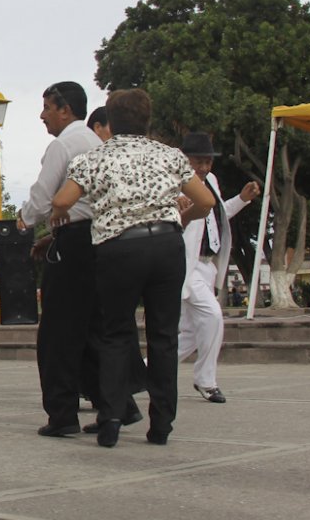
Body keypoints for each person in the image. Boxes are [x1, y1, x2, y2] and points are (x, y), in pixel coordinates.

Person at [51, 89, 215, 448]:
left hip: (119, 248)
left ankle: (110, 418)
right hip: (166, 245)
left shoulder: (95, 157)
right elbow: (205, 200)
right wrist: (181, 219)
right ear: (147, 120)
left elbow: (62, 200)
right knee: (164, 336)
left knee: (115, 332)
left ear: (110, 121)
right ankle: (161, 424)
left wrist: (60, 215)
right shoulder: (168, 155)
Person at [16, 82, 140, 437]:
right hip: (105, 241)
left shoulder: (63, 145)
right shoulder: (99, 143)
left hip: (74, 243)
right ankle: (119, 404)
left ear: (64, 109)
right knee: (95, 329)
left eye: (47, 108)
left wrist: (25, 219)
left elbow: (44, 197)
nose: (43, 116)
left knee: (58, 332)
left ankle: (62, 414)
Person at [177, 132, 260, 405]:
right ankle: (206, 380)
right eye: (197, 162)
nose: (202, 168)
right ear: (184, 158)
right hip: (186, 264)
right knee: (212, 317)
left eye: (207, 162)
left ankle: (137, 371)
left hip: (207, 265)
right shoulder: (174, 184)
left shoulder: (210, 181)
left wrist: (242, 199)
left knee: (191, 334)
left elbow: (216, 215)